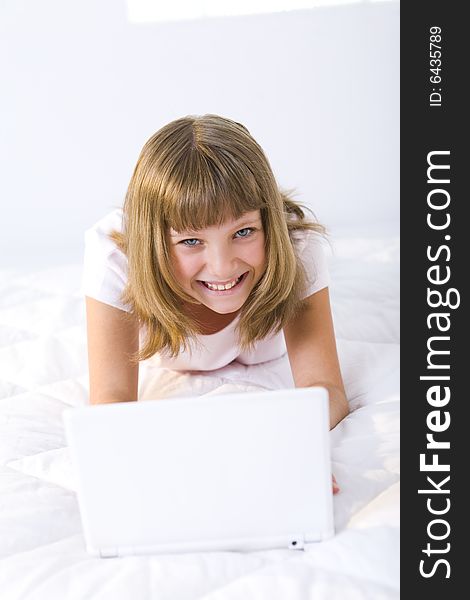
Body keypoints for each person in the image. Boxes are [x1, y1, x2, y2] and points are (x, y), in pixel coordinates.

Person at [82, 114, 348, 493]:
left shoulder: (296, 248)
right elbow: (111, 400)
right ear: (153, 242)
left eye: (244, 232)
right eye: (191, 241)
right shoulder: (116, 259)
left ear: (267, 224)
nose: (223, 267)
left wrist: (285, 445)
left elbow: (325, 386)